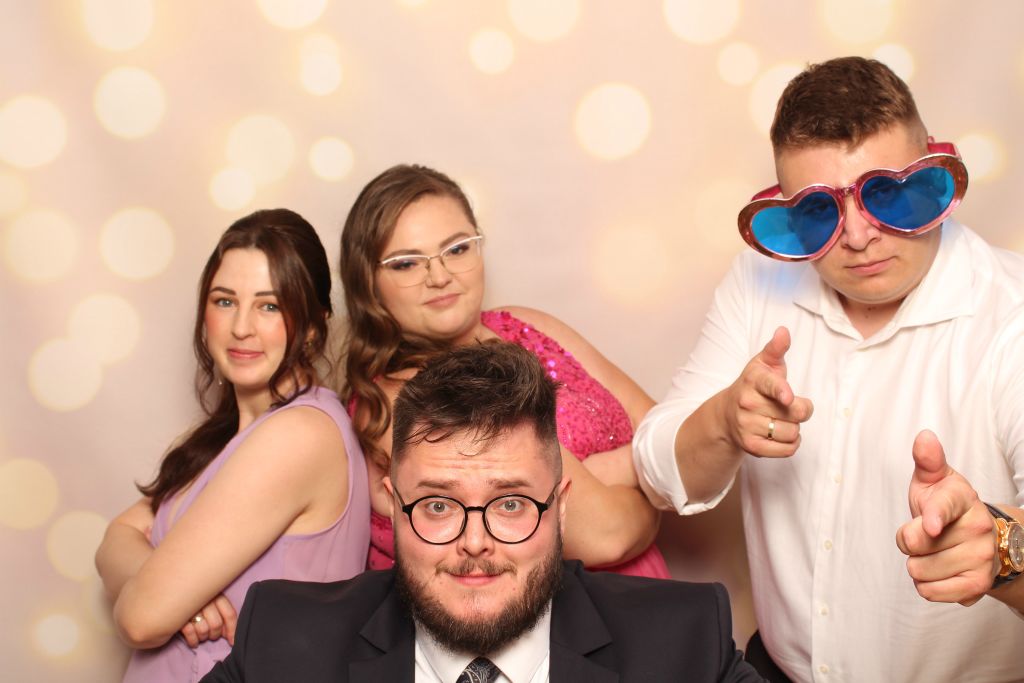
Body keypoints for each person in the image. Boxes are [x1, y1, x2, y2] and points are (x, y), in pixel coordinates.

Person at [633, 56, 1024, 682]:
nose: (859, 237)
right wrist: (724, 422)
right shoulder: (761, 280)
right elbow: (657, 473)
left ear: (933, 173)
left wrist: (1003, 554)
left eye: (887, 194)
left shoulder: (1012, 317)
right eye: (820, 211)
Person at [201, 342, 763, 682]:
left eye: (511, 503)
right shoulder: (282, 639)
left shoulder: (685, 643)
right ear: (394, 508)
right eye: (438, 505)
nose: (474, 542)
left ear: (560, 507)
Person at [339, 163, 668, 577]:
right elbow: (605, 536)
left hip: (650, 595)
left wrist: (614, 474)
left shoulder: (525, 324)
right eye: (406, 263)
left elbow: (670, 435)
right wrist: (652, 488)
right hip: (573, 612)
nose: (439, 276)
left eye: (457, 249)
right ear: (367, 282)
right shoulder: (402, 401)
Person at [95, 209, 371, 681]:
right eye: (224, 301)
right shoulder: (226, 437)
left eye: (269, 306)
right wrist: (179, 594)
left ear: (312, 324)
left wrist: (156, 594)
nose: (241, 327)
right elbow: (115, 538)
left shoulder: (298, 435)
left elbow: (140, 620)